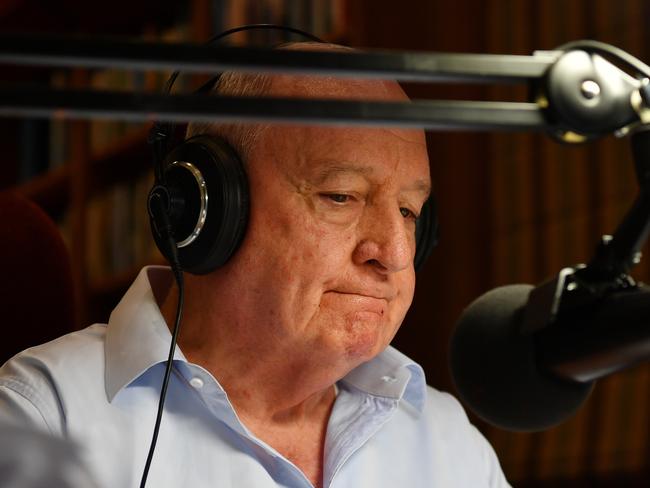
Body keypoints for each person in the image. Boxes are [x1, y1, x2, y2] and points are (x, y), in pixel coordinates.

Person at [0, 42, 510, 487]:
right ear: (209, 207)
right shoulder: (43, 415)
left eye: (408, 211)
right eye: (341, 196)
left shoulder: (448, 442)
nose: (395, 253)